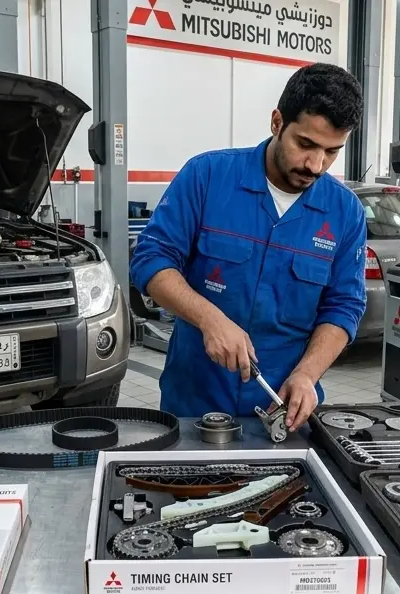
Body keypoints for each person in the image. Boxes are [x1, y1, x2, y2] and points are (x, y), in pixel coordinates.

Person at [129, 63, 368, 432]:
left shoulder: (345, 212)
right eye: (305, 144)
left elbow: (344, 306)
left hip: (282, 408)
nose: (316, 165)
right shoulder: (207, 177)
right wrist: (210, 319)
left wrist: (307, 375)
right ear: (277, 122)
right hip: (194, 400)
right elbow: (151, 259)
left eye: (332, 151)